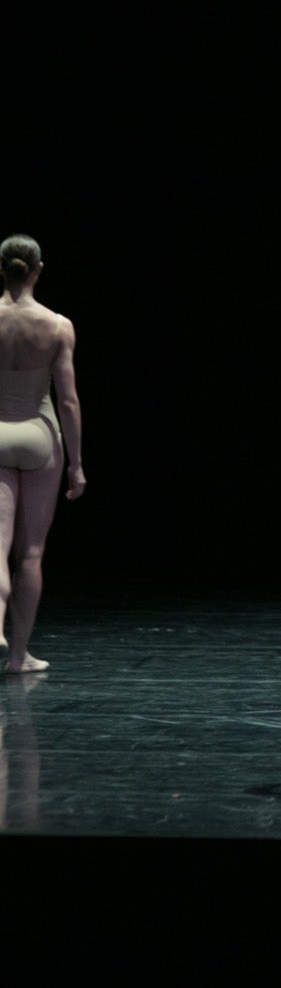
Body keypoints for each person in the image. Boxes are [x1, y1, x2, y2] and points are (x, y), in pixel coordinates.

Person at [0, 234, 85, 674]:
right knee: (31, 552)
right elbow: (68, 401)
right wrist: (77, 464)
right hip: (38, 433)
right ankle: (19, 656)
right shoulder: (57, 325)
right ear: (37, 270)